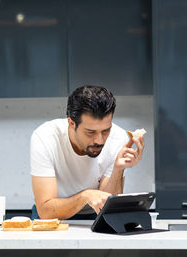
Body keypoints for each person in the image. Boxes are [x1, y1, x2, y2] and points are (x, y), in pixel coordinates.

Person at [30, 85, 145, 220]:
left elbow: (107, 208)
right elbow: (46, 211)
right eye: (90, 132)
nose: (99, 140)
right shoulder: (45, 137)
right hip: (53, 214)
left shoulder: (120, 138)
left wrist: (118, 169)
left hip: (95, 214)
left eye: (106, 130)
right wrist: (86, 196)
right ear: (71, 123)